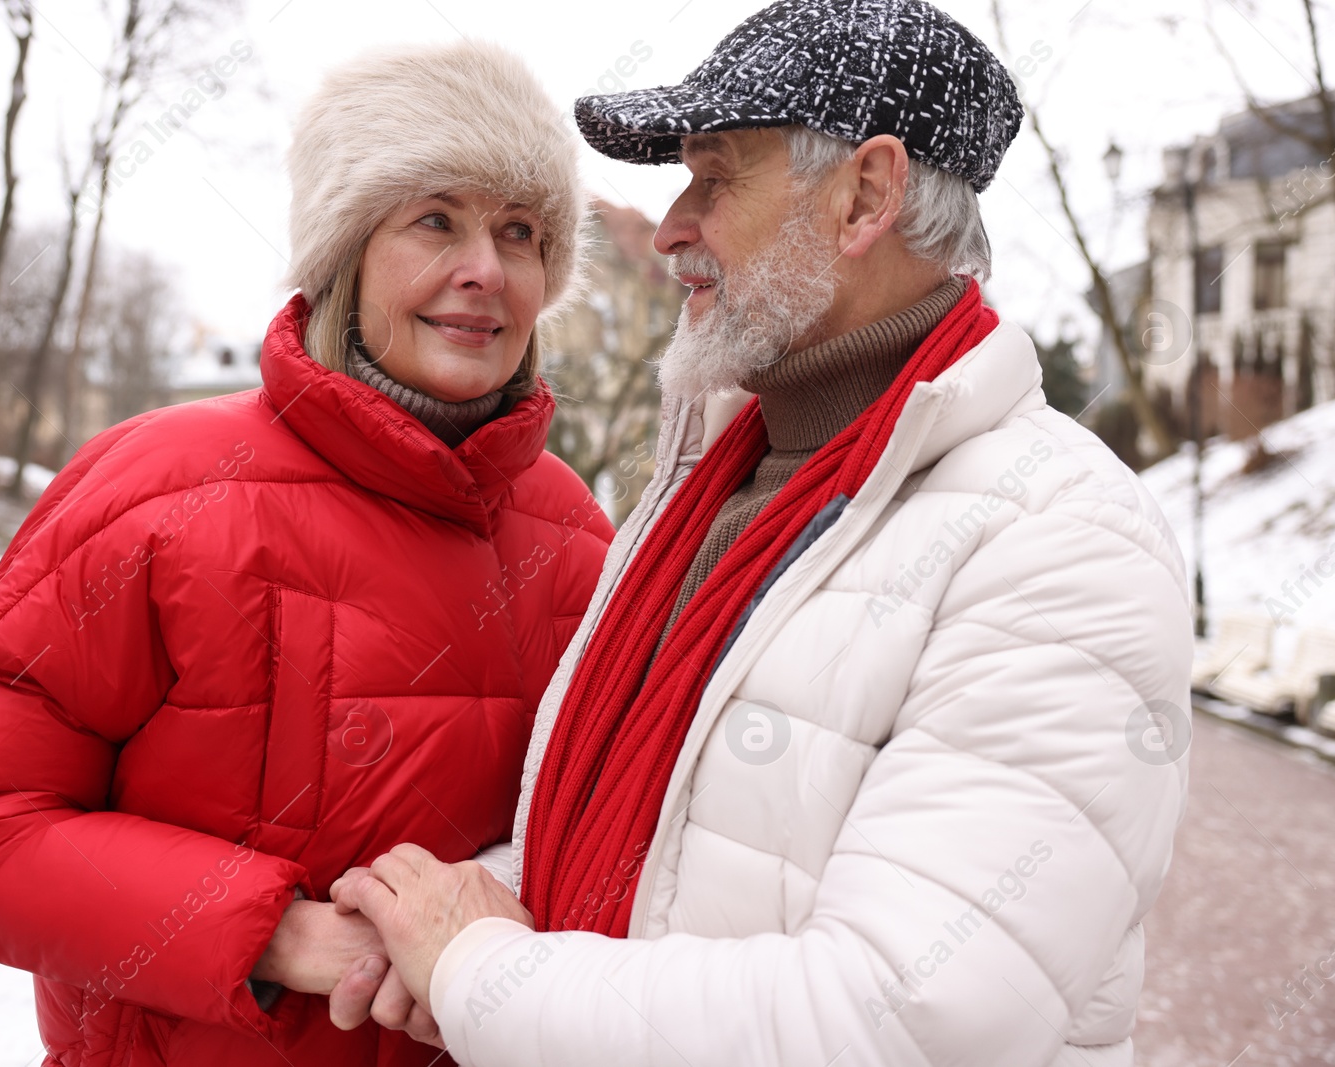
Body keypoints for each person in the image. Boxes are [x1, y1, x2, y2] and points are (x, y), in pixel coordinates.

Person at [327, 2, 1194, 1064]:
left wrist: (481, 970)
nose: (673, 226)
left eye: (715, 174)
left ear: (864, 197)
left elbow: (906, 1015)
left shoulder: (1061, 537)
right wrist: (458, 917)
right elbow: (664, 853)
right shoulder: (717, 482)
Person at [0, 40, 610, 1067]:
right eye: (434, 219)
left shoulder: (573, 532)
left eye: (521, 231)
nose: (484, 270)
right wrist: (273, 931)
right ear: (343, 252)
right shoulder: (159, 487)